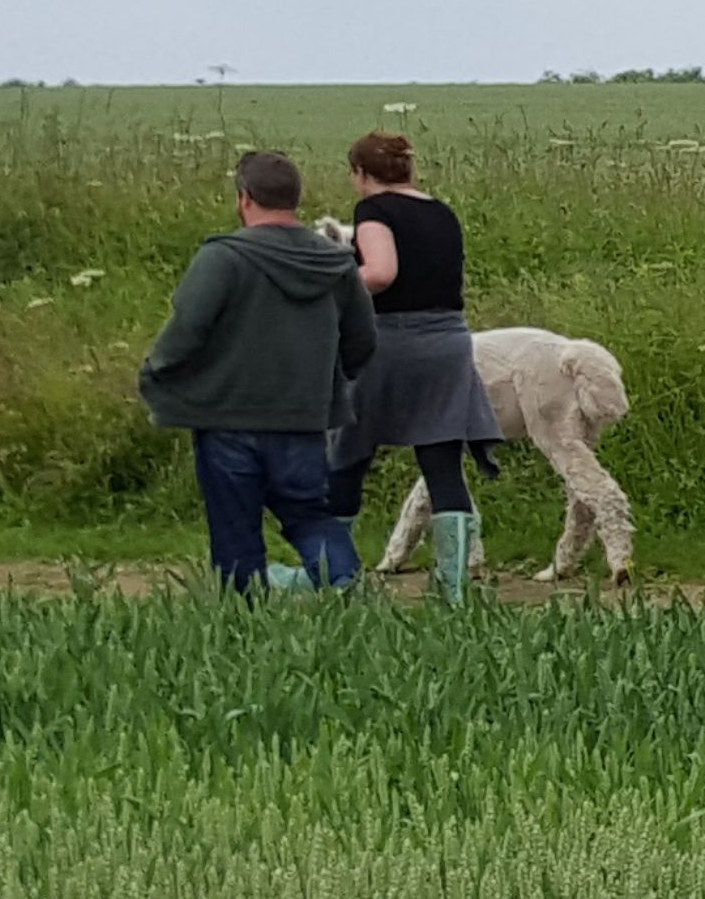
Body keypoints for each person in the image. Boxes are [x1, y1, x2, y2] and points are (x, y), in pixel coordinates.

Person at [134, 146, 377, 593]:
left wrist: (156, 372)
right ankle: (347, 588)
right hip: (303, 419)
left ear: (245, 198)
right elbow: (363, 340)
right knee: (309, 515)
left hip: (226, 419)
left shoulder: (222, 258)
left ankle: (243, 621)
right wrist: (325, 381)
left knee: (235, 529)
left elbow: (187, 329)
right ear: (296, 199)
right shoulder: (336, 262)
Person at [324, 131, 505, 604]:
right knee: (442, 461)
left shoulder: (374, 211)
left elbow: (381, 272)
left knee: (348, 453)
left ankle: (337, 577)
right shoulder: (441, 212)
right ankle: (453, 590)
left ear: (361, 174)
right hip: (449, 341)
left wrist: (336, 283)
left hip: (389, 344)